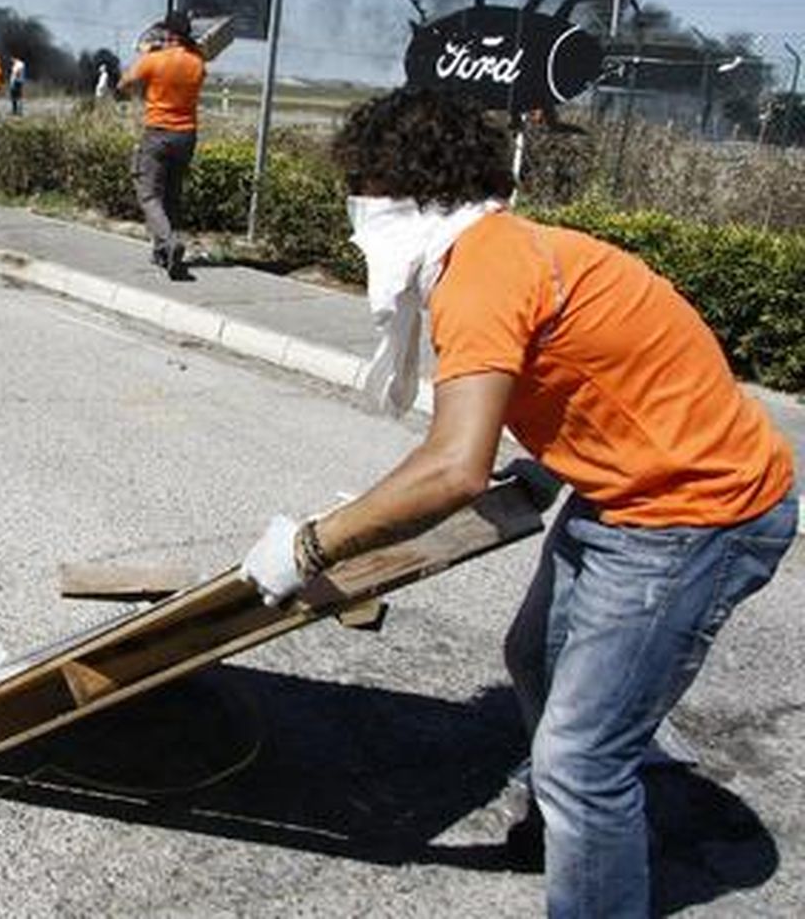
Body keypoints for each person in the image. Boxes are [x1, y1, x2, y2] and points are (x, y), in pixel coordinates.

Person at [236, 86, 797, 919]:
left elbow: (454, 468)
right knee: (534, 656)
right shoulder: (501, 248)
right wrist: (554, 461)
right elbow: (601, 377)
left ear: (396, 187)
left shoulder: (481, 276)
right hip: (633, 490)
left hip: (695, 516)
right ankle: (571, 833)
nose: (354, 206)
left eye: (359, 185)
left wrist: (313, 546)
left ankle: (588, 844)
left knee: (582, 757)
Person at [117, 11, 206, 280]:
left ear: (168, 34)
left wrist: (146, 54)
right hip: (187, 134)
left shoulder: (153, 60)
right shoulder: (197, 63)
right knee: (172, 194)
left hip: (158, 133)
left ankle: (169, 242)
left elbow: (124, 84)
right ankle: (162, 252)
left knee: (149, 195)